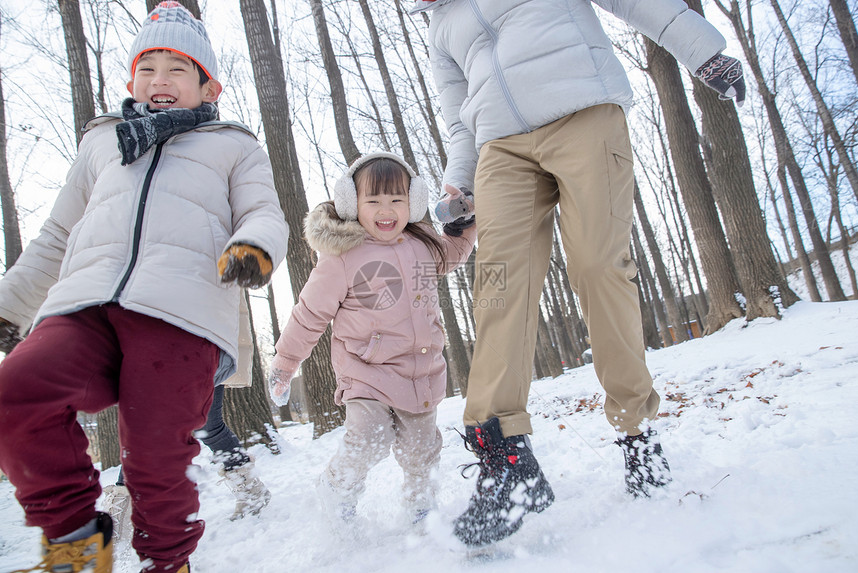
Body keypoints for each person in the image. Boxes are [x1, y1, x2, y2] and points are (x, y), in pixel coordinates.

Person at [409, 0, 747, 546]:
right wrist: (460, 179)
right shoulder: (440, 22)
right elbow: (457, 111)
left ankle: (636, 429)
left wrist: (701, 48)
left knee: (597, 266)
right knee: (496, 287)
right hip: (500, 146)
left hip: (582, 108)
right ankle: (507, 457)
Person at [0, 3, 289, 571]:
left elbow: (263, 211)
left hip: (180, 311)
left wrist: (253, 247)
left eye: (178, 69)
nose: (160, 80)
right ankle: (75, 545)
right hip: (84, 307)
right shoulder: (102, 143)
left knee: (154, 455)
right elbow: (58, 233)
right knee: (16, 393)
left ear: (208, 87)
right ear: (131, 80)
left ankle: (169, 561)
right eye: (147, 67)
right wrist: (11, 306)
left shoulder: (235, 145)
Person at [269, 153, 476, 526]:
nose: (386, 209)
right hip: (365, 371)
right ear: (352, 204)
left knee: (422, 450)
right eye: (374, 200)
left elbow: (455, 253)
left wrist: (463, 225)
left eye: (397, 200)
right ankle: (339, 490)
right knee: (370, 436)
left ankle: (421, 508)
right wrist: (285, 364)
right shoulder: (342, 255)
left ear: (412, 202)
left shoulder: (423, 244)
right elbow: (310, 313)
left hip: (420, 370)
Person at [104, 295, 272, 551]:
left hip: (208, 341)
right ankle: (123, 508)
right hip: (160, 340)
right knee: (148, 425)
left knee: (208, 426)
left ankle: (250, 489)